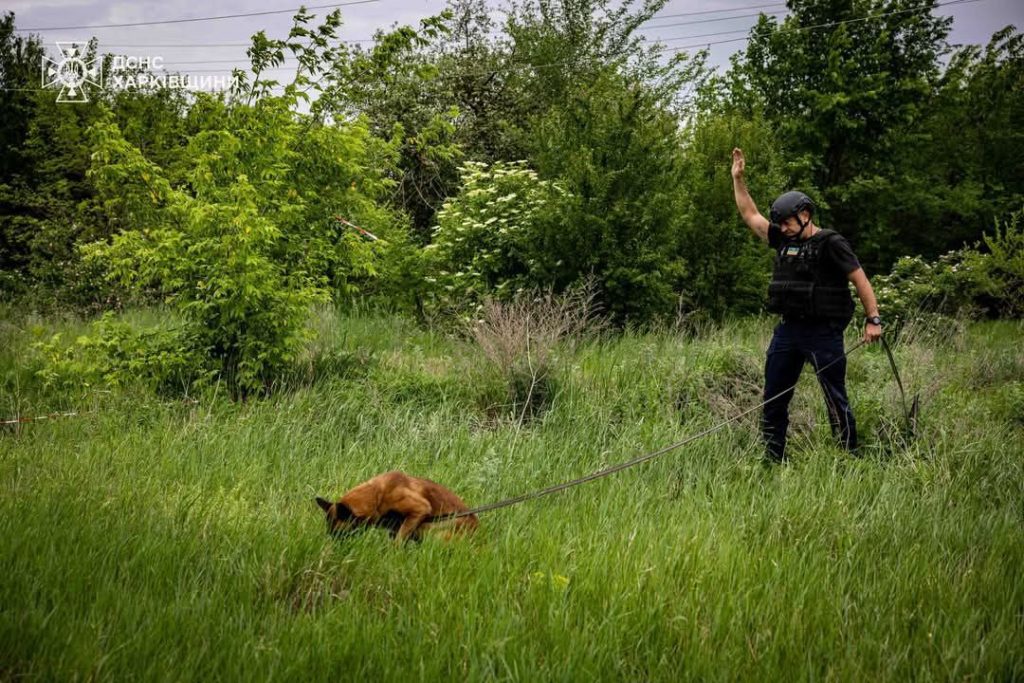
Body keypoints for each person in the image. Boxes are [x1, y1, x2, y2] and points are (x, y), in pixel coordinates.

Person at [730, 148, 882, 463]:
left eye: (786, 222)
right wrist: (738, 179)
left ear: (805, 215)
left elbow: (860, 280)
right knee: (773, 399)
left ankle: (848, 459)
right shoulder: (784, 241)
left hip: (823, 334)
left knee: (834, 399)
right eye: (779, 224)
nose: (781, 228)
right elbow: (750, 215)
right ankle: (773, 461)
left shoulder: (831, 243)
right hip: (788, 332)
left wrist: (873, 320)